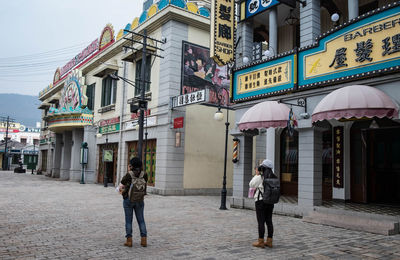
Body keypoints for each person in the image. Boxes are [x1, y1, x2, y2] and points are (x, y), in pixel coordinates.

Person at [120, 157, 148, 247]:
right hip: (140, 199)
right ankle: (144, 240)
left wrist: (129, 170)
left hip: (129, 199)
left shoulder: (129, 174)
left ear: (131, 165)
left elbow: (122, 182)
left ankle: (129, 240)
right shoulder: (144, 174)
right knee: (141, 220)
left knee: (128, 220)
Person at [249, 159, 276, 248]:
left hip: (261, 201)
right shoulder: (274, 177)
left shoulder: (260, 177)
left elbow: (251, 184)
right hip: (270, 201)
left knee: (261, 222)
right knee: (269, 221)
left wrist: (256, 174)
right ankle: (269, 241)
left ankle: (260, 241)